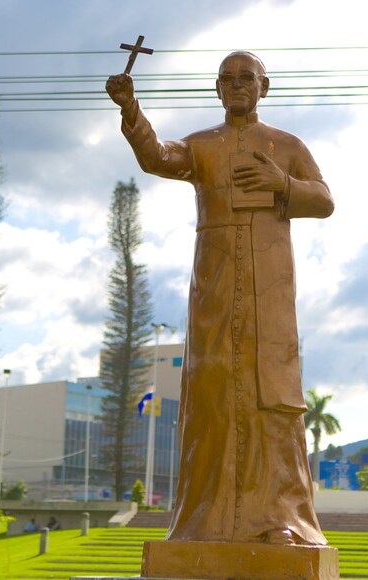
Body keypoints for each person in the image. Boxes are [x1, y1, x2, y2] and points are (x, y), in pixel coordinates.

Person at [106, 51, 334, 546]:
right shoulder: (203, 146)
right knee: (211, 395)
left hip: (269, 289)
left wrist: (283, 183)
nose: (237, 86)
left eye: (246, 78)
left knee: (269, 395)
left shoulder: (287, 145)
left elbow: (324, 200)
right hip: (213, 288)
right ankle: (203, 522)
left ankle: (281, 520)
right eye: (228, 79)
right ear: (217, 88)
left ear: (264, 87)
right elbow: (158, 157)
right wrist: (131, 111)